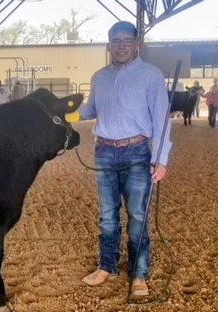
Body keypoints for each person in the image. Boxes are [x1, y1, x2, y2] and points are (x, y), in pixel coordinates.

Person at [78, 21, 172, 297]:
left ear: (135, 44)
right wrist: (65, 111)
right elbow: (90, 109)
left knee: (138, 216)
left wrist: (160, 158)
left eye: (126, 41)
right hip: (104, 151)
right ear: (108, 45)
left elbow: (162, 120)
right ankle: (106, 266)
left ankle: (139, 274)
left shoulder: (151, 76)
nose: (121, 46)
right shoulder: (99, 77)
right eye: (115, 41)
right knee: (107, 216)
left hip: (137, 152)